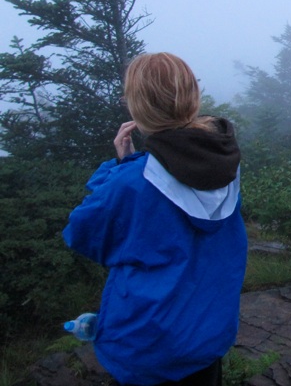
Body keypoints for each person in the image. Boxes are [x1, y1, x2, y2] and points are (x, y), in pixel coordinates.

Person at [63, 52, 247, 386]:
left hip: (149, 346)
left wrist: (122, 167)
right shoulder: (225, 165)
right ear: (192, 98)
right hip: (206, 336)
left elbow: (82, 234)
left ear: (138, 107)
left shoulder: (131, 182)